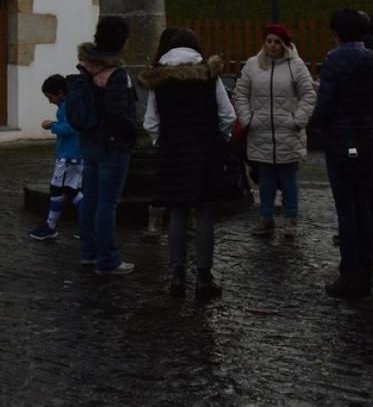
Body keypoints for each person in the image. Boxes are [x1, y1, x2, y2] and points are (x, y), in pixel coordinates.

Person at [141, 28, 237, 299]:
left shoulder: (158, 79)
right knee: (205, 213)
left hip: (173, 151)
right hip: (205, 149)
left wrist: (162, 141)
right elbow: (227, 114)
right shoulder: (208, 75)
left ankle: (176, 275)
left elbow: (150, 121)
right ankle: (204, 276)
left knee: (178, 212)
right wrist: (220, 136)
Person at [310, 7, 373, 299]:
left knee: (346, 208)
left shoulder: (334, 60)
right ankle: (366, 268)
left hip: (340, 140)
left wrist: (316, 121)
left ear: (337, 33)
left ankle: (349, 273)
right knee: (364, 205)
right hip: (366, 138)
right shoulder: (370, 58)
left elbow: (326, 106)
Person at [67, 15, 137, 276]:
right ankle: (107, 259)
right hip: (113, 144)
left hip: (90, 142)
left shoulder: (86, 66)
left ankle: (89, 252)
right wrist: (133, 131)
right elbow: (117, 113)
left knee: (91, 199)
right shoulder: (116, 73)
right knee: (108, 203)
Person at [233, 23, 316, 240]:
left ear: (284, 44)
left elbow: (308, 94)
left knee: (289, 177)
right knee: (265, 177)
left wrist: (298, 120)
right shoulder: (252, 65)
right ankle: (266, 217)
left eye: (276, 42)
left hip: (287, 130)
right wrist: (247, 118)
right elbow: (240, 93)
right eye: (269, 41)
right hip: (260, 130)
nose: (272, 45)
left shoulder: (296, 66)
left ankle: (291, 220)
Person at [29, 74, 84, 241]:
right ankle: (87, 225)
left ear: (60, 92)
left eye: (50, 97)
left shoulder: (67, 106)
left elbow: (70, 128)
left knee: (57, 189)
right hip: (74, 155)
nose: (50, 101)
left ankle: (51, 226)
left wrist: (51, 125)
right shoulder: (72, 103)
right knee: (71, 190)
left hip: (69, 157)